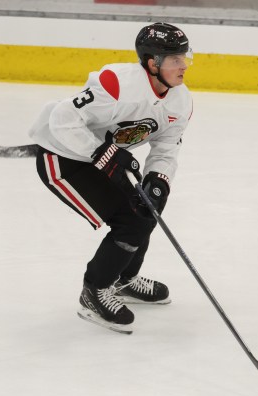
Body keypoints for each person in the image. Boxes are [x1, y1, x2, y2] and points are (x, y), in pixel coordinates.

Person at [28, 22, 193, 334]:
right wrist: (100, 153)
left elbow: (167, 146)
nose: (183, 65)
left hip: (102, 159)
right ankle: (95, 289)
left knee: (145, 210)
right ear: (152, 62)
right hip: (62, 157)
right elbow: (62, 118)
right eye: (175, 59)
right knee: (129, 222)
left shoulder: (180, 101)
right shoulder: (118, 83)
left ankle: (124, 279)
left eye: (184, 58)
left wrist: (158, 181)